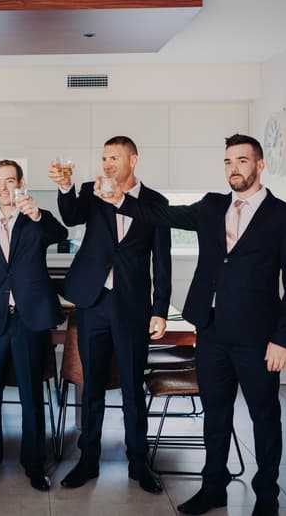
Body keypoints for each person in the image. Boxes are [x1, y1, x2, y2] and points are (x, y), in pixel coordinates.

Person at [97, 134, 286, 516]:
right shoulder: (212, 206)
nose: (234, 169)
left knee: (264, 417)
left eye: (242, 161)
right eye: (228, 162)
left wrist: (284, 340)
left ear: (260, 165)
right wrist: (120, 201)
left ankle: (266, 496)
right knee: (215, 414)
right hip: (210, 332)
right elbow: (163, 215)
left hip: (258, 338)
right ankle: (215, 487)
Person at [50, 135, 171, 494]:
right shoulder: (92, 191)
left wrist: (160, 309)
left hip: (132, 306)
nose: (106, 165)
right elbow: (71, 216)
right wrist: (67, 187)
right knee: (92, 388)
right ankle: (87, 461)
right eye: (103, 158)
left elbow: (161, 262)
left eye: (114, 158)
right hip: (93, 302)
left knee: (133, 389)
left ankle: (139, 464)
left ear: (133, 159)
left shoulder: (156, 203)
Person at [0, 160, 68, 491]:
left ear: (21, 182)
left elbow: (60, 234)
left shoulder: (36, 219)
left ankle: (34, 464)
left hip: (29, 320)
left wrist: (37, 213)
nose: (4, 187)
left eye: (10, 180)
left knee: (30, 395)